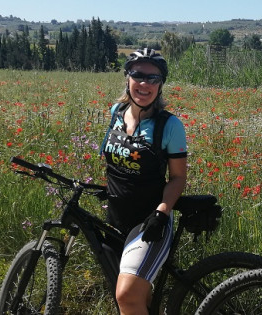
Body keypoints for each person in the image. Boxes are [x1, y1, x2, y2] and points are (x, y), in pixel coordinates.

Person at [100, 48, 188, 315]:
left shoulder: (169, 125)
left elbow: (178, 177)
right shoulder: (117, 112)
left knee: (126, 296)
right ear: (127, 78)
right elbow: (113, 160)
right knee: (137, 300)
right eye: (138, 75)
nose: (145, 84)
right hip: (115, 219)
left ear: (160, 85)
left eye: (153, 78)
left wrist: (161, 213)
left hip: (149, 223)